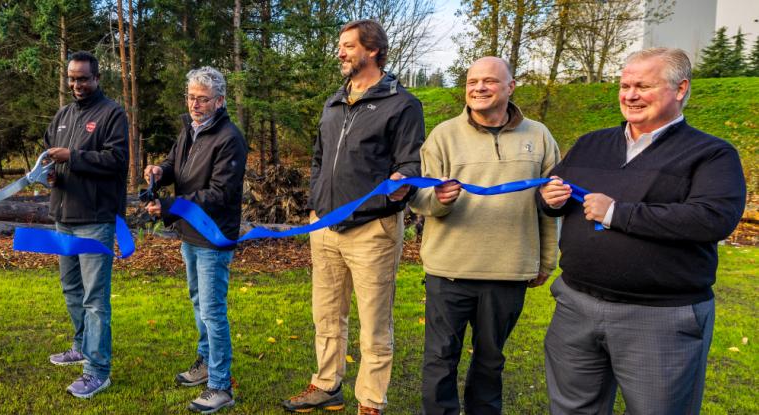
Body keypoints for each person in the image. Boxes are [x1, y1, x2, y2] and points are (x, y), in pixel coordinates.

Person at [538, 48, 746, 415]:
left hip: (658, 319)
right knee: (572, 409)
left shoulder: (711, 154)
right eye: (625, 85)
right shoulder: (592, 143)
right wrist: (548, 199)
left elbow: (712, 218)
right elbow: (555, 193)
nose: (630, 95)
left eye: (643, 86)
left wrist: (618, 212)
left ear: (680, 89)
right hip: (576, 306)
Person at [282, 19, 425, 415]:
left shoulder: (402, 104)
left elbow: (413, 162)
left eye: (347, 46)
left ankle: (371, 402)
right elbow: (318, 158)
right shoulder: (333, 102)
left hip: (373, 231)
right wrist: (315, 201)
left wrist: (404, 180)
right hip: (325, 227)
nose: (340, 53)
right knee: (327, 316)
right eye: (341, 46)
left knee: (375, 324)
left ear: (373, 50)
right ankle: (327, 386)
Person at [409, 57, 560, 415]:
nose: (478, 87)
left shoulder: (539, 136)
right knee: (439, 360)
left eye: (489, 81)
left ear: (510, 87)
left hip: (508, 271)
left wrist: (547, 260)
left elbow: (551, 204)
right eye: (472, 81)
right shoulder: (443, 135)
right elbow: (418, 196)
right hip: (449, 271)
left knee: (491, 361)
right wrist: (438, 200)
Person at [143, 67, 248, 413]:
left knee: (213, 310)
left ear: (219, 101)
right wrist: (160, 170)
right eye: (191, 97)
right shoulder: (190, 130)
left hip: (213, 236)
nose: (195, 104)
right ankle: (205, 364)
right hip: (189, 232)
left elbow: (220, 193)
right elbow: (175, 164)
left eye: (202, 99)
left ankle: (221, 385)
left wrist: (171, 205)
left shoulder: (229, 138)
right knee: (198, 303)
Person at [43, 50, 129, 399]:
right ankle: (80, 346)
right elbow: (49, 153)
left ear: (97, 79)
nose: (77, 84)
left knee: (95, 299)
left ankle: (97, 370)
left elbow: (117, 160)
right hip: (63, 217)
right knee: (71, 290)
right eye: (72, 78)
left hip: (95, 220)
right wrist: (49, 174)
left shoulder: (112, 114)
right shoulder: (62, 116)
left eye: (83, 78)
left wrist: (72, 157)